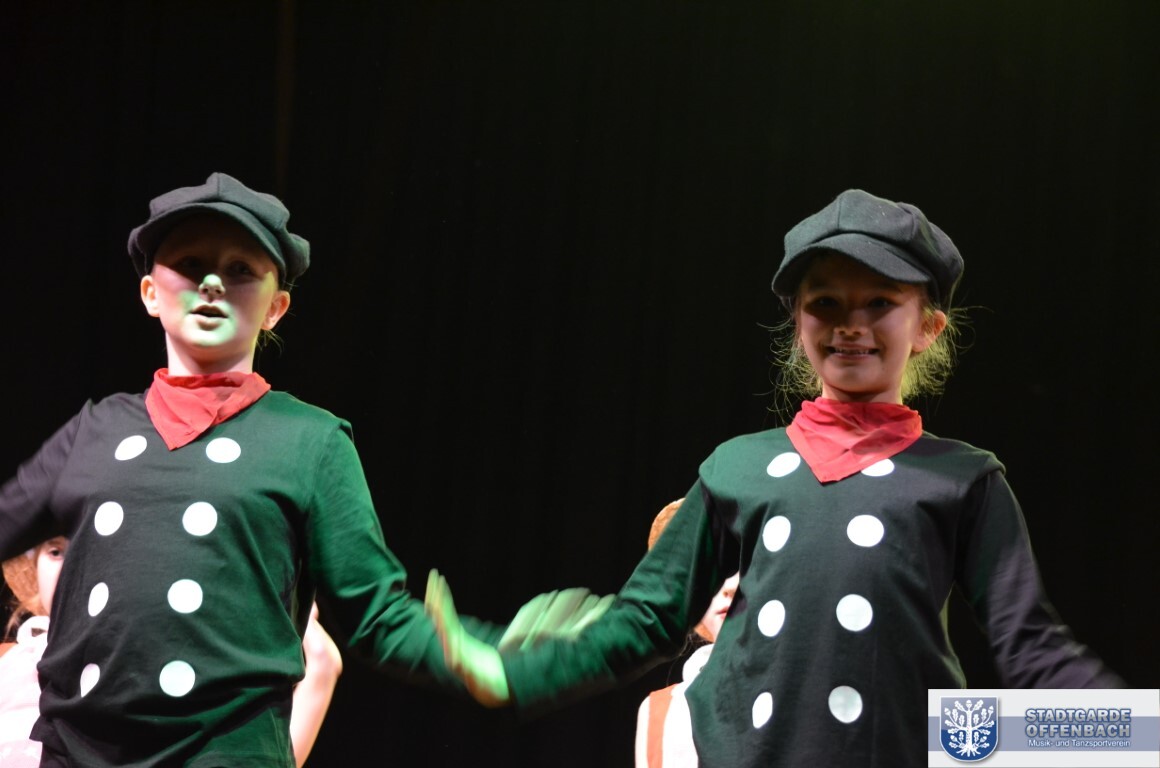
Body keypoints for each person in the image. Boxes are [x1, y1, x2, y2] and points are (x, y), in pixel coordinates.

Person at [427, 189, 1124, 768]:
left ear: (928, 328)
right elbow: (646, 619)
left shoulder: (962, 479)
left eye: (879, 302)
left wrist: (1131, 736)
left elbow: (1031, 646)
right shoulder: (737, 468)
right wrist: (514, 674)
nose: (851, 325)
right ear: (797, 323)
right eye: (826, 303)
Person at [0, 173, 513, 767]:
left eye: (241, 269)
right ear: (150, 293)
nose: (212, 282)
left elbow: (375, 615)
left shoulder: (309, 441)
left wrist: (484, 657)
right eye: (190, 264)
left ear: (276, 307)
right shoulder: (94, 431)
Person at [0, 538, 342, 767]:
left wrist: (319, 666)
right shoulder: (10, 662)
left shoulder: (166, 672)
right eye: (55, 551)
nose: (73, 568)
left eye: (95, 547)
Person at [635, 499, 738, 768]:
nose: (728, 586)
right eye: (711, 567)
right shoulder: (658, 712)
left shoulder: (804, 688)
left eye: (742, 563)